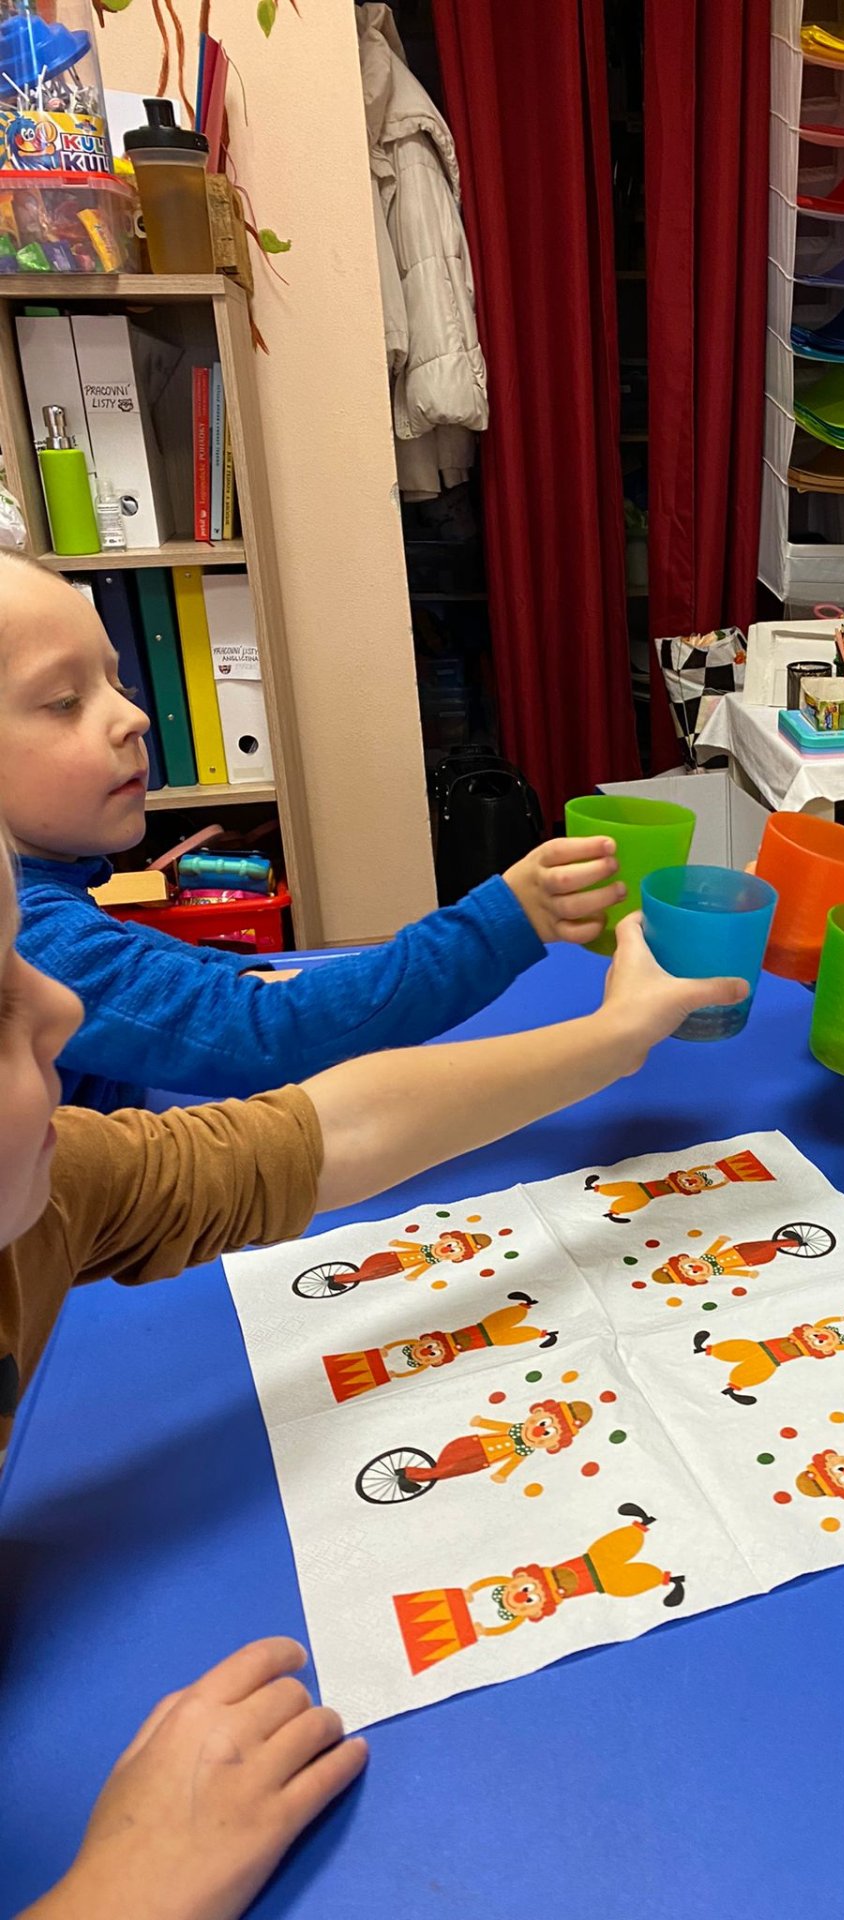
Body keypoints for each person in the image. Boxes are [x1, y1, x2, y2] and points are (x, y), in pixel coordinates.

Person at [2, 852, 746, 1919]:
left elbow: (318, 1136)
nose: (66, 1009)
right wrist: (126, 1891)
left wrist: (614, 1038)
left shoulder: (52, 1188)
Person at [0, 551, 630, 1112]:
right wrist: (504, 922)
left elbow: (173, 969)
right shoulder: (30, 940)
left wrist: (269, 982)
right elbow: (260, 1033)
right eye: (65, 700)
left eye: (121, 684)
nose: (135, 715)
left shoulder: (46, 893)